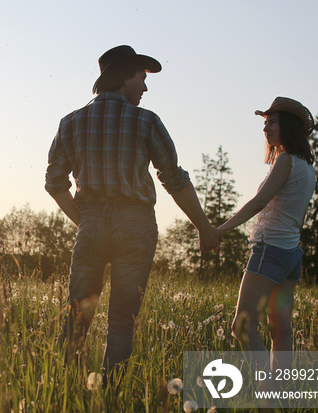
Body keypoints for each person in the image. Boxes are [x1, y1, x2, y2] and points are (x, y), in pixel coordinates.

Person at [45, 45, 222, 377]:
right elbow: (175, 179)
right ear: (123, 76)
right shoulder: (147, 121)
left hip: (92, 223)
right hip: (136, 225)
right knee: (123, 320)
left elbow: (54, 183)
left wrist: (85, 221)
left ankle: (64, 396)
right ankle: (110, 398)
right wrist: (204, 227)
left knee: (76, 317)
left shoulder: (70, 122)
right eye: (141, 77)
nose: (145, 87)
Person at [218, 97, 316, 374]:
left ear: (289, 127)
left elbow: (258, 202)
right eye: (265, 123)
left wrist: (219, 230)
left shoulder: (284, 161)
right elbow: (300, 220)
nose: (266, 128)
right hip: (291, 256)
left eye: (272, 122)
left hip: (269, 252)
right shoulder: (308, 169)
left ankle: (268, 388)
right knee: (280, 328)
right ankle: (282, 389)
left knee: (242, 326)